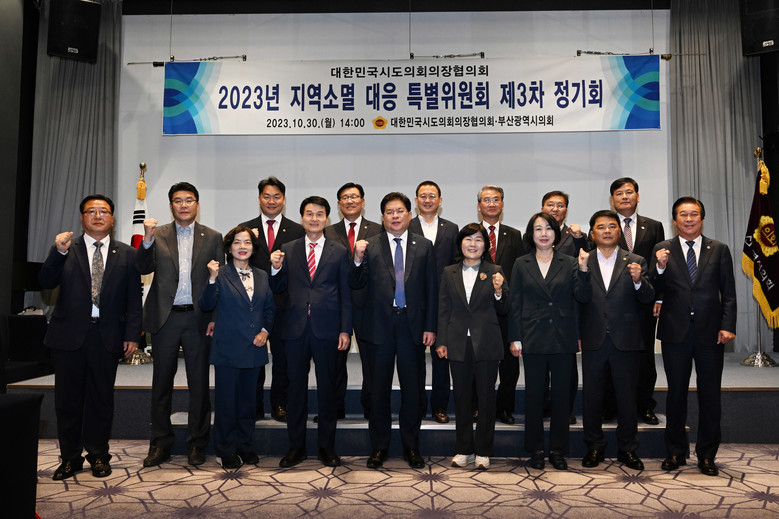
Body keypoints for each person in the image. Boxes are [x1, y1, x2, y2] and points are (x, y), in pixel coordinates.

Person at [39, 194, 142, 480]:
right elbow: (45, 282)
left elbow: (134, 299)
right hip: (68, 337)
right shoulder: (65, 249)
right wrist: (57, 253)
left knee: (101, 400)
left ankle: (98, 455)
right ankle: (70, 458)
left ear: (112, 218)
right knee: (67, 401)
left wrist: (133, 334)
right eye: (91, 211)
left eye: (104, 211)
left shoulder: (127, 253)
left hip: (106, 336)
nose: (98, 216)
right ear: (82, 217)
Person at [138, 182, 224, 468]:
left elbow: (219, 282)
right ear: (170, 205)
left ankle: (197, 443)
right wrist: (146, 239)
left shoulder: (213, 237)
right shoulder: (158, 234)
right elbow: (142, 268)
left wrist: (214, 318)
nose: (184, 205)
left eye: (189, 200)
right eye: (178, 200)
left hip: (198, 319)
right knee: (161, 383)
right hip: (166, 318)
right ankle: (160, 443)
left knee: (198, 384)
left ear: (197, 204)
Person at [350, 192, 438, 469]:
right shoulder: (370, 245)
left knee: (413, 391)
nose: (395, 216)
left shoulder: (423, 246)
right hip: (379, 328)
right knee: (378, 390)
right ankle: (379, 447)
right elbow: (356, 283)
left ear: (409, 215)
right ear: (382, 217)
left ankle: (411, 446)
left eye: (400, 211)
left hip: (412, 327)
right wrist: (356, 259)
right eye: (390, 212)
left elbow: (431, 289)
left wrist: (430, 326)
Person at [651, 197, 736, 477]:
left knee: (710, 394)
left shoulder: (719, 249)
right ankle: (675, 452)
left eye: (694, 214)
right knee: (676, 393)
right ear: (674, 220)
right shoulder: (662, 249)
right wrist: (659, 267)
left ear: (702, 218)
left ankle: (707, 455)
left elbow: (729, 292)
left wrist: (727, 325)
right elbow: (652, 287)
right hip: (675, 331)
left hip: (710, 332)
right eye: (683, 214)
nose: (689, 219)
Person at [270, 196, 352, 468]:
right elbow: (278, 288)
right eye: (309, 214)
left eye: (319, 214)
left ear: (327, 219)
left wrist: (345, 329)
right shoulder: (288, 249)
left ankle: (326, 447)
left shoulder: (339, 251)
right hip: (295, 328)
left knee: (328, 390)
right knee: (295, 390)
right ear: (302, 218)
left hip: (328, 329)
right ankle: (296, 447)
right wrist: (275, 269)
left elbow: (346, 294)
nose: (314, 219)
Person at [508, 212, 591, 471]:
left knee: (561, 397)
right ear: (531, 234)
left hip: (562, 336)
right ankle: (535, 449)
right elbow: (515, 303)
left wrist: (584, 270)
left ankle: (557, 449)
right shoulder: (521, 263)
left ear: (557, 233)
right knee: (534, 396)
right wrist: (515, 337)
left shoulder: (570, 262)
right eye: (538, 229)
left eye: (548, 228)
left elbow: (583, 297)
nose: (543, 234)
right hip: (532, 336)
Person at [579, 210, 653, 471]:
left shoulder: (636, 260)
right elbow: (578, 299)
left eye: (612, 226)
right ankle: (594, 447)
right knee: (592, 397)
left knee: (627, 398)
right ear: (592, 234)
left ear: (619, 232)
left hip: (626, 339)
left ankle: (628, 449)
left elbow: (647, 298)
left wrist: (638, 281)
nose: (607, 231)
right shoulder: (582, 261)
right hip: (593, 338)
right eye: (601, 227)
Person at [199, 226, 275, 469]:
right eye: (237, 242)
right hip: (228, 349)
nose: (243, 247)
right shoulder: (220, 274)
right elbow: (206, 304)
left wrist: (265, 331)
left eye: (247, 242)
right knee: (226, 404)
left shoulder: (262, 275)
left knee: (247, 404)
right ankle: (225, 449)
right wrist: (211, 279)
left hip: (254, 348)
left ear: (254, 248)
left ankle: (244, 445)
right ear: (229, 247)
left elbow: (269, 309)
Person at [436, 223, 507, 470]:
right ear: (461, 244)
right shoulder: (449, 272)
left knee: (486, 398)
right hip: (457, 341)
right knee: (462, 396)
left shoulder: (495, 271)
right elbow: (443, 308)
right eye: (468, 239)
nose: (473, 244)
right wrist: (442, 340)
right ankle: (464, 448)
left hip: (486, 341)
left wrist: (499, 291)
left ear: (485, 245)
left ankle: (484, 450)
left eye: (478, 239)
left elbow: (505, 308)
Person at [240, 176, 304, 421]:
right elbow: (234, 264)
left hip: (285, 305)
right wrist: (249, 243)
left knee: (283, 359)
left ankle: (280, 404)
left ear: (284, 200)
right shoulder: (245, 230)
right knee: (253, 358)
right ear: (259, 199)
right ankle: (254, 405)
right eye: (266, 196)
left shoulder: (297, 231)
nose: (271, 201)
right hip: (252, 306)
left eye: (277, 196)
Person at [324, 182, 382, 420]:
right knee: (335, 362)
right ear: (339, 204)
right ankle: (335, 408)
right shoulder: (328, 231)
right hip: (336, 306)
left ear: (363, 201)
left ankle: (372, 407)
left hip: (370, 305)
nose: (350, 201)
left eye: (354, 197)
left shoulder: (378, 230)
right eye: (345, 198)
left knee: (371, 361)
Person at [609, 177, 666, 425]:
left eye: (629, 192)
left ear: (638, 196)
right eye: (619, 193)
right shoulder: (605, 225)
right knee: (612, 355)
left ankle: (644, 406)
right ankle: (611, 406)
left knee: (645, 357)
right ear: (612, 199)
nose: (624, 197)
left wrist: (659, 298)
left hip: (645, 300)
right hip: (614, 303)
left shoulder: (653, 226)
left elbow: (660, 266)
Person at [409, 180, 459, 424]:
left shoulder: (452, 228)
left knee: (442, 357)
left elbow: (456, 263)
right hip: (415, 302)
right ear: (416, 200)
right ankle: (417, 405)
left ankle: (439, 406)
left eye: (432, 196)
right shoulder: (406, 226)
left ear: (440, 200)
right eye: (423, 196)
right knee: (414, 357)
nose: (427, 200)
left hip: (444, 302)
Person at [477, 185, 525, 425]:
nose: (492, 204)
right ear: (479, 206)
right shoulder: (471, 233)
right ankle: (479, 407)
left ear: (502, 204)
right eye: (486, 200)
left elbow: (520, 271)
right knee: (479, 363)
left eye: (496, 199)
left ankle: (505, 408)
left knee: (509, 365)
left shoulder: (514, 235)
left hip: (507, 308)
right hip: (479, 310)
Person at [541, 190, 589, 425]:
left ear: (566, 210)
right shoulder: (533, 235)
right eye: (550, 204)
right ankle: (543, 406)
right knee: (541, 365)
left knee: (567, 366)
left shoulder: (575, 235)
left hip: (567, 309)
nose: (555, 209)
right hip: (540, 309)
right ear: (542, 208)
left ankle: (565, 409)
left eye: (560, 205)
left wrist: (579, 239)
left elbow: (588, 259)